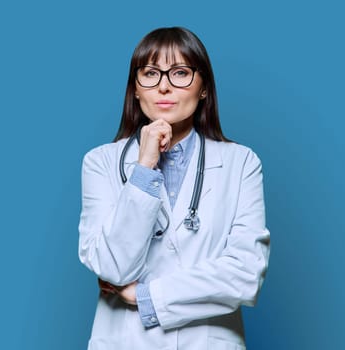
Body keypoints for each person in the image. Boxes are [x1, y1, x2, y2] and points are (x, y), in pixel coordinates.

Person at [78, 27, 270, 350]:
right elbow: (112, 266)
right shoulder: (100, 163)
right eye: (150, 73)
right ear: (135, 90)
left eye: (180, 73)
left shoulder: (242, 163)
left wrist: (145, 296)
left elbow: (246, 276)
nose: (164, 86)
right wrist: (144, 169)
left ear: (204, 87)